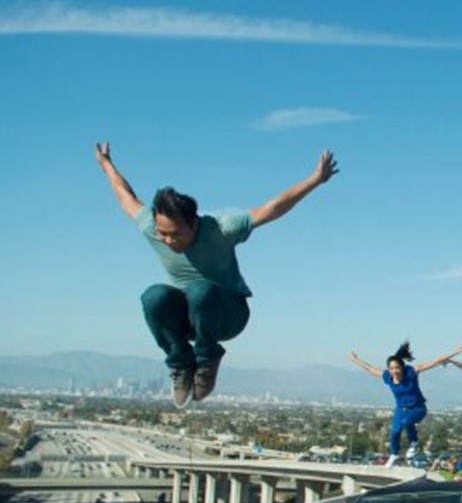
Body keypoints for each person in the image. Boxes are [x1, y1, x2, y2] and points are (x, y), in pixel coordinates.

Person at [96, 142, 338, 407]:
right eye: (163, 233)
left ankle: (208, 360)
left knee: (200, 289)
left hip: (228, 314)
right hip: (191, 317)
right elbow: (125, 196)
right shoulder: (152, 227)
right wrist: (107, 164)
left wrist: (315, 180)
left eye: (176, 234)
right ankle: (181, 365)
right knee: (153, 296)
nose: (168, 240)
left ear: (194, 223)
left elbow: (273, 208)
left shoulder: (220, 230)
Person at [349, 342, 462, 467]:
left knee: (406, 422)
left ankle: (414, 443)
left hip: (418, 408)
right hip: (401, 409)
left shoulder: (411, 373)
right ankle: (394, 454)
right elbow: (369, 368)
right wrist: (356, 360)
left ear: (402, 367)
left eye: (397, 368)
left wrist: (453, 353)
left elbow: (435, 362)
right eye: (392, 368)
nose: (394, 371)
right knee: (395, 431)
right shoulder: (387, 377)